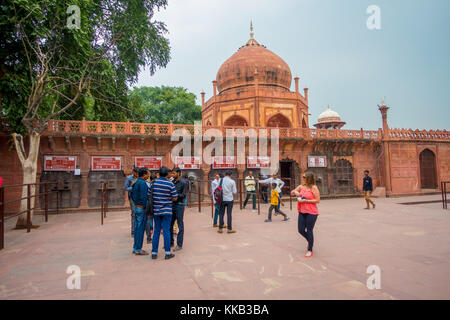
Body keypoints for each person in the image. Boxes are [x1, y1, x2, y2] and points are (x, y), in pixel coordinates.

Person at [151, 166, 178, 260]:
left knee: (156, 231)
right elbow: (175, 197)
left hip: (156, 210)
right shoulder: (170, 184)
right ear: (167, 174)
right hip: (167, 210)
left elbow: (149, 195)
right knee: (166, 231)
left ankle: (154, 252)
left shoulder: (153, 183)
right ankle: (167, 253)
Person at [291, 172, 320, 258]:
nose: (302, 178)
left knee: (309, 230)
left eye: (304, 177)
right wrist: (296, 192)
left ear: (309, 178)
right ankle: (310, 241)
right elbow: (292, 192)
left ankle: (310, 249)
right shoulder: (301, 186)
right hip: (302, 211)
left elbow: (317, 200)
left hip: (312, 212)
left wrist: (306, 201)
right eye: (302, 177)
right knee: (300, 230)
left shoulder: (314, 188)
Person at [131, 167, 150, 255]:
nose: (148, 175)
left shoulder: (136, 181)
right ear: (144, 174)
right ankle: (138, 249)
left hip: (137, 207)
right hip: (141, 208)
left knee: (137, 228)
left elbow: (132, 195)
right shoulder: (142, 183)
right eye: (147, 173)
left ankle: (135, 247)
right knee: (140, 229)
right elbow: (144, 197)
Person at [170, 167, 188, 251]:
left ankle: (179, 244)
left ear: (178, 173)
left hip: (179, 205)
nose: (172, 175)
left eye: (174, 173)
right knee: (170, 224)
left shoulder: (183, 182)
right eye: (172, 173)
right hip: (172, 205)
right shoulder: (172, 182)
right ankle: (171, 242)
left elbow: (183, 195)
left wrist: (175, 196)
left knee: (180, 225)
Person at [124, 167, 139, 237]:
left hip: (139, 197)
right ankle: (133, 231)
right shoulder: (129, 178)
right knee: (134, 213)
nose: (137, 175)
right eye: (136, 173)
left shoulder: (139, 178)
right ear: (133, 172)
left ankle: (139, 229)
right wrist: (133, 187)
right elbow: (125, 188)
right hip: (132, 197)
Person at [145, 173, 157, 244]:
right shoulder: (158, 184)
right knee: (157, 220)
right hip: (156, 205)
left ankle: (149, 236)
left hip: (149, 204)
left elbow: (148, 195)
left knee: (149, 220)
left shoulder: (148, 185)